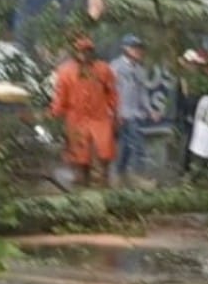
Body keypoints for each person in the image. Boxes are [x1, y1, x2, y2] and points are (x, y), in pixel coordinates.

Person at [50, 36, 118, 188]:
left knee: (105, 151)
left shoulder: (103, 69)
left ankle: (104, 182)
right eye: (81, 51)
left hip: (99, 115)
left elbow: (112, 93)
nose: (85, 54)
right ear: (75, 53)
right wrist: (54, 114)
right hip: (76, 117)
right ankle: (82, 183)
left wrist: (115, 113)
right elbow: (60, 97)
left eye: (88, 51)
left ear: (93, 52)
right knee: (80, 155)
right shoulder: (65, 71)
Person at [110, 34, 159, 188]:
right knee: (138, 145)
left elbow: (142, 92)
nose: (139, 51)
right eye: (135, 48)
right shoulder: (115, 67)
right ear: (126, 49)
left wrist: (151, 110)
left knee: (126, 147)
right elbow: (109, 92)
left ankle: (120, 175)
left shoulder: (140, 70)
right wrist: (113, 112)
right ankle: (140, 178)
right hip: (121, 113)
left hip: (134, 113)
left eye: (140, 48)